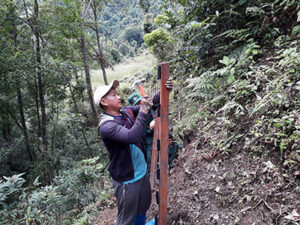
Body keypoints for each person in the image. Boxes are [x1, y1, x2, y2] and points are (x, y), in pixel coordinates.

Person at [94, 80, 172, 225]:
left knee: (141, 207)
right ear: (104, 102)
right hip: (127, 179)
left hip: (141, 172)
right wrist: (142, 110)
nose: (118, 97)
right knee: (126, 219)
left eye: (117, 94)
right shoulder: (107, 126)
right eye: (113, 95)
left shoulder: (125, 111)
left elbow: (150, 105)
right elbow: (132, 136)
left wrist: (163, 91)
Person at [128, 94, 154, 171]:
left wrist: (154, 121)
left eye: (140, 103)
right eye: (137, 104)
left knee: (150, 157)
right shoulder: (132, 116)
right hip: (141, 141)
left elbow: (156, 115)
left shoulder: (149, 109)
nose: (139, 105)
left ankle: (150, 172)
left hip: (151, 138)